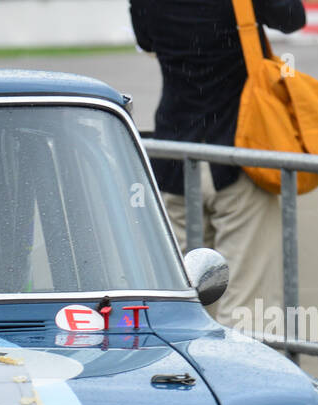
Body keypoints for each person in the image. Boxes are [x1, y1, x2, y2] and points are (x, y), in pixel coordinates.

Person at [129, 0, 307, 329]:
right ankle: (242, 380)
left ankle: (190, 377)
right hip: (239, 156)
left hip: (175, 157)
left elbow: (147, 40)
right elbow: (293, 17)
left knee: (182, 304)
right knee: (247, 307)